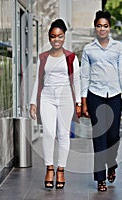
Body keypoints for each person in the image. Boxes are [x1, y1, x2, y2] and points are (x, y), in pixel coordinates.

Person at [80, 10, 122, 192]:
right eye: (99, 26)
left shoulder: (118, 47)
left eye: (105, 26)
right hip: (95, 95)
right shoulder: (88, 49)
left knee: (113, 136)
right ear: (95, 28)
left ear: (109, 28)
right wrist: (83, 101)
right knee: (99, 137)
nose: (102, 29)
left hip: (115, 96)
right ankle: (100, 178)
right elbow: (84, 76)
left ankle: (111, 163)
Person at [29, 18, 81, 190]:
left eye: (59, 36)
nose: (56, 39)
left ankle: (61, 170)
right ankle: (49, 168)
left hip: (66, 97)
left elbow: (77, 81)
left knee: (63, 135)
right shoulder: (44, 57)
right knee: (49, 133)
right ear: (49, 37)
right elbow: (38, 79)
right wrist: (32, 102)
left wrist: (79, 102)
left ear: (64, 37)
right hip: (47, 98)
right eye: (53, 36)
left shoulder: (71, 57)